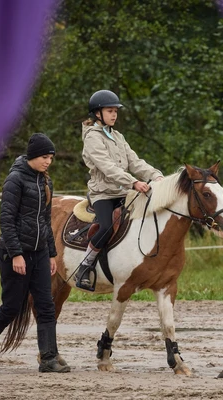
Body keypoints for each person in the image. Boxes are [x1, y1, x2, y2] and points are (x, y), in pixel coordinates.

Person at [0, 133, 70, 374]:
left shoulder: (46, 182)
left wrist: (52, 253)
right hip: (15, 253)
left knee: (46, 306)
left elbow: (45, 219)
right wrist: (16, 254)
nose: (48, 162)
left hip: (40, 253)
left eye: (51, 157)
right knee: (11, 307)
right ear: (32, 156)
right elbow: (6, 220)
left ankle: (48, 358)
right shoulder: (15, 180)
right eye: (44, 157)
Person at [75, 89, 164, 291]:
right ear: (98, 113)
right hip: (103, 194)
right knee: (106, 226)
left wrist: (155, 175)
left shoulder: (118, 136)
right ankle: (85, 266)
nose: (114, 114)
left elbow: (135, 162)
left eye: (116, 111)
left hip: (124, 194)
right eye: (110, 110)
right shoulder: (92, 138)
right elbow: (108, 167)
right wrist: (134, 183)